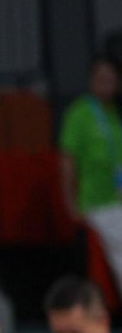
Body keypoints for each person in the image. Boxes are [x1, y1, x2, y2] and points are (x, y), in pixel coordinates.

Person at [60, 56, 122, 296]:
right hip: (97, 203)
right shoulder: (79, 114)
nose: (105, 84)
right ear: (91, 81)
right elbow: (67, 162)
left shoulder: (116, 114)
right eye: (100, 79)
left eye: (110, 79)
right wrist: (70, 203)